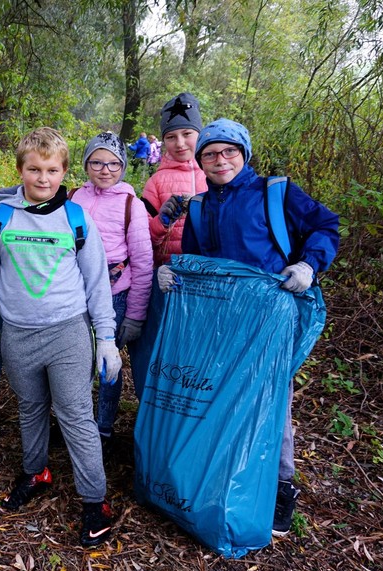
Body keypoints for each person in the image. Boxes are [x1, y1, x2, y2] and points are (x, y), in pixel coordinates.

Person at [157, 118, 340, 537]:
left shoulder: (275, 193)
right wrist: (174, 274)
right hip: (220, 322)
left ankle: (280, 487)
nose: (220, 160)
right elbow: (198, 263)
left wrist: (309, 265)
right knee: (221, 395)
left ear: (244, 153)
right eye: (210, 153)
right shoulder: (200, 207)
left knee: (271, 401)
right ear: (199, 160)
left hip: (270, 319)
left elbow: (325, 225)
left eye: (229, 152)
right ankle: (224, 475)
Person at [0, 127, 121, 548]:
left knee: (76, 416)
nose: (43, 178)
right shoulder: (0, 217)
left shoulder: (75, 218)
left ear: (64, 171)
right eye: (34, 169)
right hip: (17, 333)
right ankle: (36, 472)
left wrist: (106, 337)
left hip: (68, 333)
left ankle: (95, 502)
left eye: (52, 170)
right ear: (20, 170)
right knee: (30, 408)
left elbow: (96, 282)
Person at [70, 132, 153, 454]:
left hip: (115, 294)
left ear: (123, 167)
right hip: (76, 292)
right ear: (87, 164)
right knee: (76, 361)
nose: (105, 170)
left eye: (113, 164)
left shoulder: (132, 204)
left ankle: (103, 427)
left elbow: (144, 263)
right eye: (97, 162)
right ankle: (77, 422)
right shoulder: (75, 197)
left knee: (108, 365)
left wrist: (135, 314)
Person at [141, 92, 207, 266]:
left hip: (211, 274)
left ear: (199, 134)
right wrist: (162, 221)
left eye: (187, 134)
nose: (179, 143)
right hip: (169, 273)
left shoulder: (216, 174)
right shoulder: (155, 183)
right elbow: (144, 239)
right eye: (171, 137)